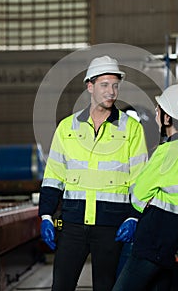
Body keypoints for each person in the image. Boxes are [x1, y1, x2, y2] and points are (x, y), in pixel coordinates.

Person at [38, 55, 148, 291]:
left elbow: (140, 179)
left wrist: (133, 216)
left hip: (112, 225)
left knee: (105, 287)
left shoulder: (131, 129)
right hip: (73, 224)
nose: (111, 92)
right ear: (90, 86)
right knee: (61, 286)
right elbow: (54, 174)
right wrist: (46, 215)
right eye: (104, 85)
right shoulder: (67, 127)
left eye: (115, 85)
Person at [112, 84, 178, 291]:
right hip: (175, 238)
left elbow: (139, 193)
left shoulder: (169, 151)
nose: (156, 113)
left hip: (154, 239)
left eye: (159, 109)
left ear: (168, 118)